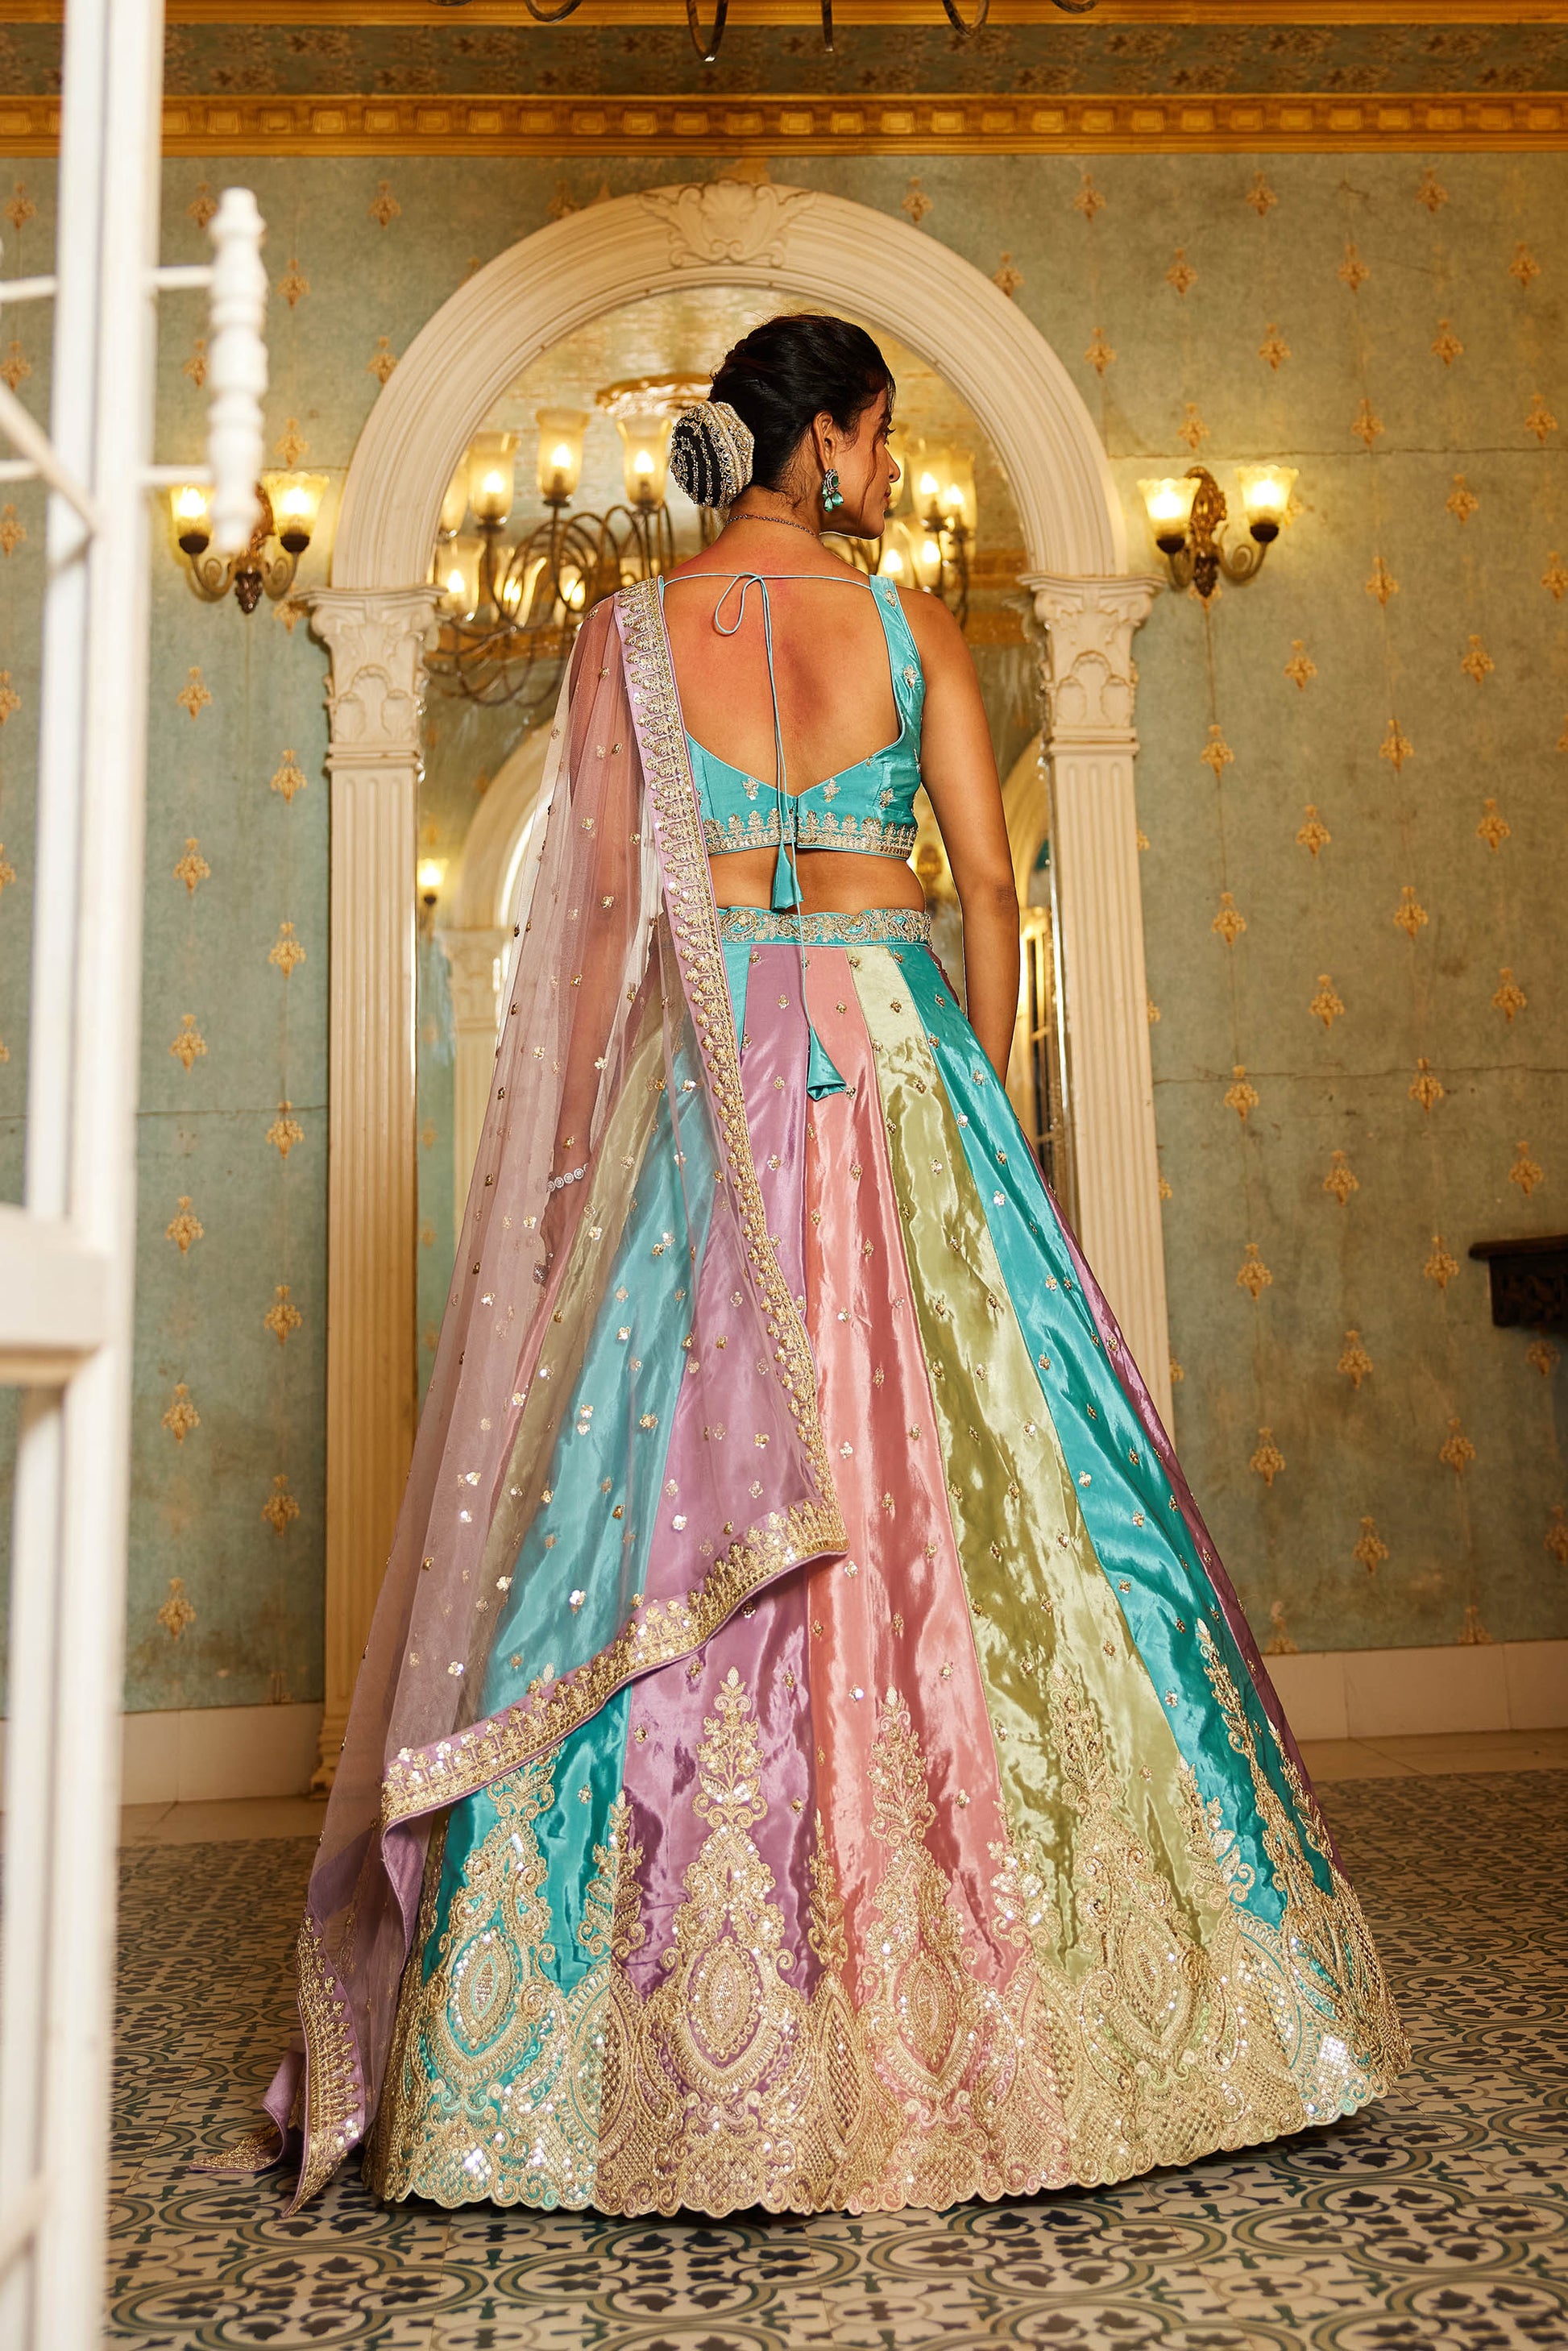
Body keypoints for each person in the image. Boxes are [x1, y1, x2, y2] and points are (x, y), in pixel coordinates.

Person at [220, 313, 1404, 2219]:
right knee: (1000, 1500)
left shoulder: (623, 637)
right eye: (878, 433)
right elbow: (991, 888)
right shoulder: (912, 628)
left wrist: (593, 1177)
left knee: (649, 1494)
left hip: (713, 1091)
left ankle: (574, 2053)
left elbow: (590, 944)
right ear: (831, 441)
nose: (885, 464)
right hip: (901, 1056)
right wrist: (982, 1117)